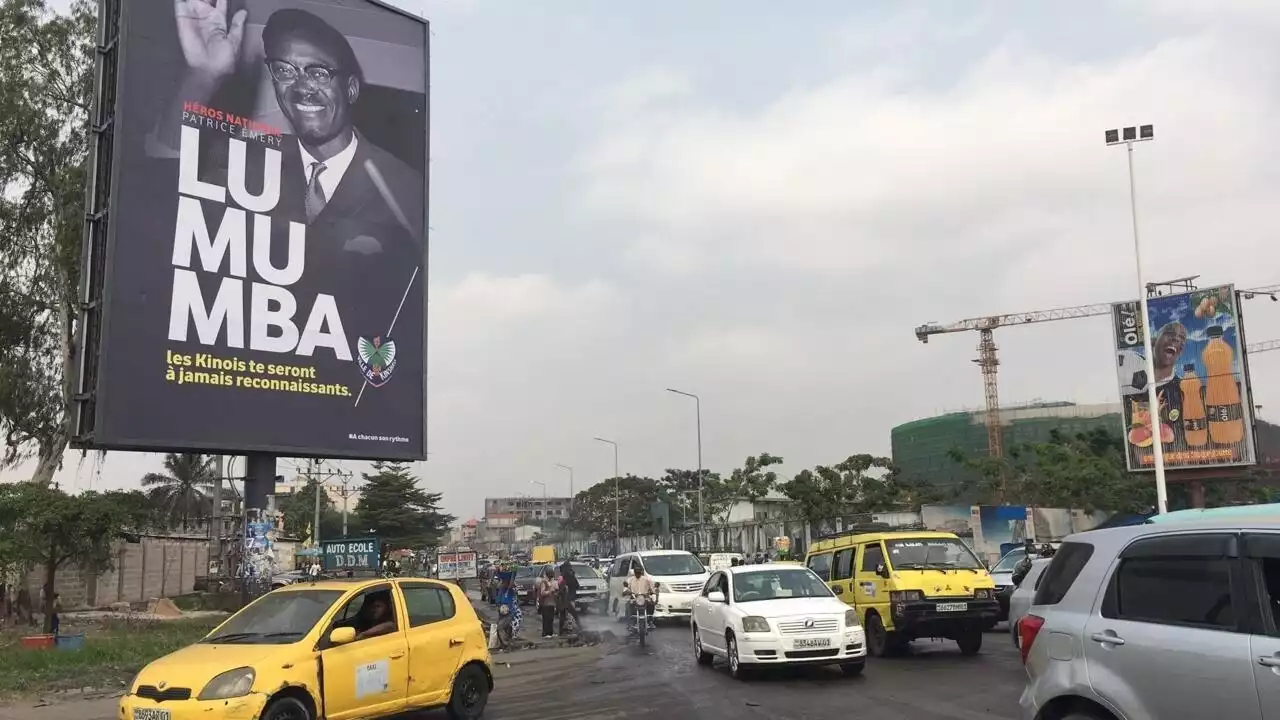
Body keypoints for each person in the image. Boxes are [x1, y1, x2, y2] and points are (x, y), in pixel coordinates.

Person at [623, 563, 657, 633]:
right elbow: (625, 589)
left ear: (641, 572)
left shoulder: (647, 579)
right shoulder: (630, 580)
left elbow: (653, 588)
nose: (637, 574)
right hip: (634, 598)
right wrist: (626, 592)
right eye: (636, 572)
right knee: (628, 605)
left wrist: (653, 591)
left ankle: (650, 620)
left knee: (651, 603)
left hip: (645, 598)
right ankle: (630, 623)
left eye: (639, 572)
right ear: (634, 572)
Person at [557, 560, 581, 636]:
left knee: (563, 616)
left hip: (564, 600)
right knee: (574, 615)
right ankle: (578, 629)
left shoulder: (562, 577)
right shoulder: (569, 577)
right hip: (568, 599)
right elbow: (577, 586)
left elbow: (560, 590)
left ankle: (561, 631)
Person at [536, 566, 558, 639]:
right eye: (551, 573)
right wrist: (549, 592)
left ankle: (550, 633)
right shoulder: (544, 582)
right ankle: (545, 633)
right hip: (546, 603)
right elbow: (542, 593)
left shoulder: (551, 581)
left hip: (551, 603)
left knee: (551, 618)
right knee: (546, 619)